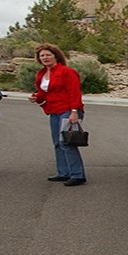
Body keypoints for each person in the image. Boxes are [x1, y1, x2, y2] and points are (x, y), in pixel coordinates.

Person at [28, 43, 86, 186]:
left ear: (55, 56)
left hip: (68, 110)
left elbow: (75, 92)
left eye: (48, 54)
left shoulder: (67, 72)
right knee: (57, 143)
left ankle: (78, 175)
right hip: (54, 111)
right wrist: (37, 97)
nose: (45, 58)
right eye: (42, 55)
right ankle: (63, 172)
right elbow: (44, 93)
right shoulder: (42, 73)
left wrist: (74, 111)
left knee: (66, 142)